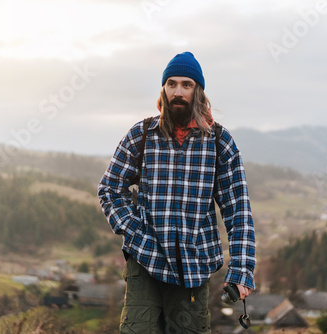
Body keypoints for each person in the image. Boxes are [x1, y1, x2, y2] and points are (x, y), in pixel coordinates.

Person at [98, 51, 256, 333]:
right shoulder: (142, 134)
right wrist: (135, 231)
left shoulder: (219, 142)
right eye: (172, 84)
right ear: (163, 89)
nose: (178, 92)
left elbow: (238, 210)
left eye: (186, 85)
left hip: (193, 268)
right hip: (145, 261)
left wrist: (241, 271)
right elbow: (110, 189)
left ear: (198, 92)